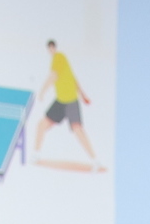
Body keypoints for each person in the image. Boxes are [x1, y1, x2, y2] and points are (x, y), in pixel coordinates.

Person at [32, 38, 102, 168]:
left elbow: (54, 76)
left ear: (54, 48)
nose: (51, 50)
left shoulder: (59, 58)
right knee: (41, 125)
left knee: (78, 130)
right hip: (60, 101)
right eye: (49, 48)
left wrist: (42, 92)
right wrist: (83, 95)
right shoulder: (58, 59)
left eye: (52, 47)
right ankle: (36, 155)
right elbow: (72, 78)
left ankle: (95, 160)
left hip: (71, 101)